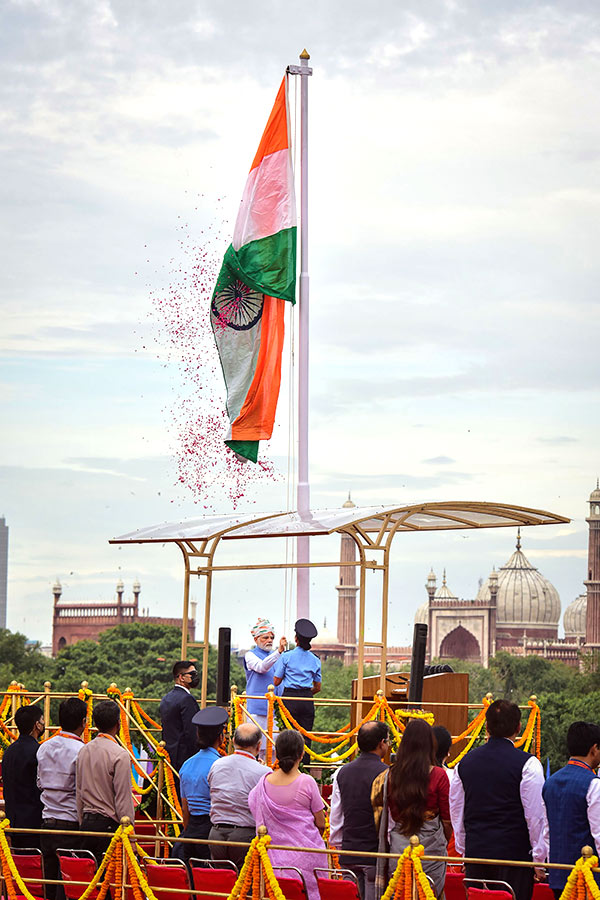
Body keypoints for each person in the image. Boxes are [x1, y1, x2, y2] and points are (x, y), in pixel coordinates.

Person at [450, 699, 548, 900]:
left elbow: (457, 811)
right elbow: (536, 817)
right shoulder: (528, 765)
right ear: (519, 727)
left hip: (477, 852)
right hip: (514, 857)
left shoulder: (464, 764)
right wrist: (539, 860)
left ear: (486, 727)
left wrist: (464, 850)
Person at [372, 719, 451, 899]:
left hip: (400, 841)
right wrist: (440, 840)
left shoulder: (392, 774)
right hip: (431, 846)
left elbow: (392, 812)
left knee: (401, 891)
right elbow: (447, 820)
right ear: (430, 745)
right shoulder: (439, 775)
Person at [248, 730, 326, 900]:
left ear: (277, 753)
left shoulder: (264, 782)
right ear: (302, 754)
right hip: (307, 858)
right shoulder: (306, 781)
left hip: (272, 859)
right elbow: (321, 823)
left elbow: (253, 805)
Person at [329, 721, 389, 900]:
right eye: (388, 741)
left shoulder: (342, 772)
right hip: (374, 854)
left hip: (349, 852)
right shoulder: (386, 773)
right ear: (381, 743)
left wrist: (341, 847)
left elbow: (336, 815)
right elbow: (390, 819)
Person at [542, 721, 600, 900]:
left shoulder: (550, 783)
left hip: (558, 874)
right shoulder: (593, 783)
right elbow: (599, 835)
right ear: (594, 749)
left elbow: (546, 832)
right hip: (587, 877)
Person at [37, 697, 87, 898]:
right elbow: (83, 790)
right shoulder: (81, 750)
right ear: (83, 721)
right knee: (69, 886)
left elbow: (39, 783)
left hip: (47, 821)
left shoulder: (44, 747)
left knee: (49, 882)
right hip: (70, 823)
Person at [76, 699, 135, 862]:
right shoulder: (120, 754)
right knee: (109, 884)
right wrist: (131, 837)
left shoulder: (84, 750)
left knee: (90, 881)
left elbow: (79, 793)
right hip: (109, 828)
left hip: (87, 825)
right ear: (119, 724)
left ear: (95, 723)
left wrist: (83, 824)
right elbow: (123, 800)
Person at [174, 706, 229, 864]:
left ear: (198, 734)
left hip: (191, 829)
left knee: (192, 878)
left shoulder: (186, 765)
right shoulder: (219, 765)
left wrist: (188, 831)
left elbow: (185, 808)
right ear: (221, 737)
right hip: (211, 828)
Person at [207, 723, 265, 869]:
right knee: (246, 886)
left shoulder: (217, 765)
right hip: (244, 835)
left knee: (221, 884)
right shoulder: (263, 772)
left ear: (233, 742)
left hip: (216, 833)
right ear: (259, 746)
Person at [272, 618, 321, 760]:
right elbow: (317, 687)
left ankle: (286, 765)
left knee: (287, 736)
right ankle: (304, 767)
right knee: (305, 737)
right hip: (306, 699)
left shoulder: (287, 656)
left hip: (290, 698)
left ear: (296, 638)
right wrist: (305, 693)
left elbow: (276, 681)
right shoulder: (315, 659)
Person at [2, 705, 44, 848]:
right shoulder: (38, 751)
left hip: (12, 820)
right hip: (32, 822)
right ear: (37, 725)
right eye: (42, 720)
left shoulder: (9, 751)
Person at [243, 618, 286, 751]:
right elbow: (261, 667)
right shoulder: (250, 655)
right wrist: (278, 652)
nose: (269, 640)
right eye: (265, 637)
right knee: (257, 748)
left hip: (276, 711)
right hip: (257, 711)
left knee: (274, 750)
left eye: (272, 637)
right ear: (256, 639)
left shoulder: (278, 656)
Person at [159, 661, 200, 773]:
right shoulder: (187, 699)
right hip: (184, 756)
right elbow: (191, 732)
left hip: (169, 753)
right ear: (181, 677)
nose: (195, 677)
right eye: (191, 674)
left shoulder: (167, 698)